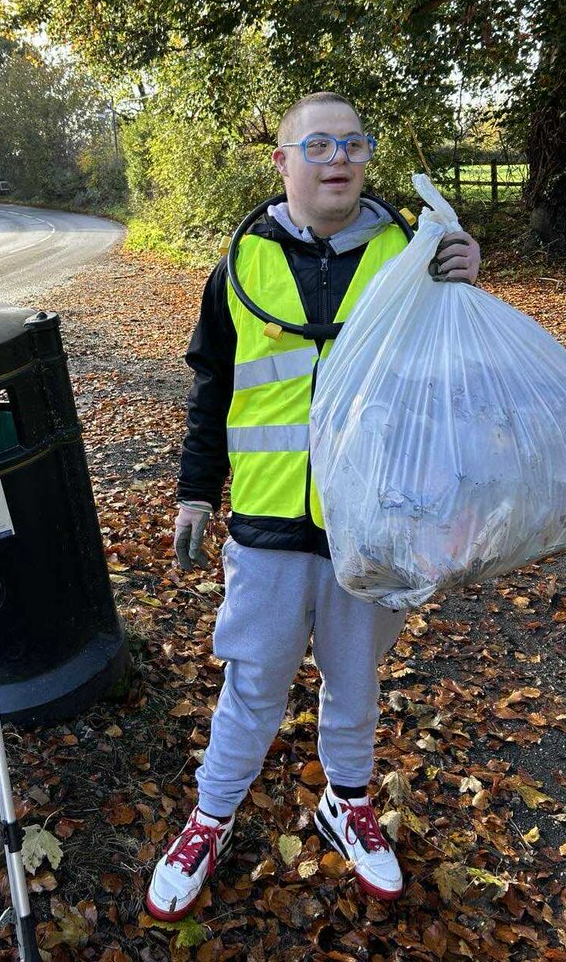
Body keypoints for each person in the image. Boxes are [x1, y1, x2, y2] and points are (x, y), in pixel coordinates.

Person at [146, 92, 481, 922]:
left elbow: (453, 376)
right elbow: (212, 389)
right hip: (266, 523)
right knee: (254, 680)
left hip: (371, 522)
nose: (340, 159)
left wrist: (466, 285)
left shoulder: (412, 255)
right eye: (319, 144)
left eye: (354, 145)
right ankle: (211, 817)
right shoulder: (241, 264)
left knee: (355, 677)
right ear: (282, 162)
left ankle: (348, 802)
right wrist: (195, 492)